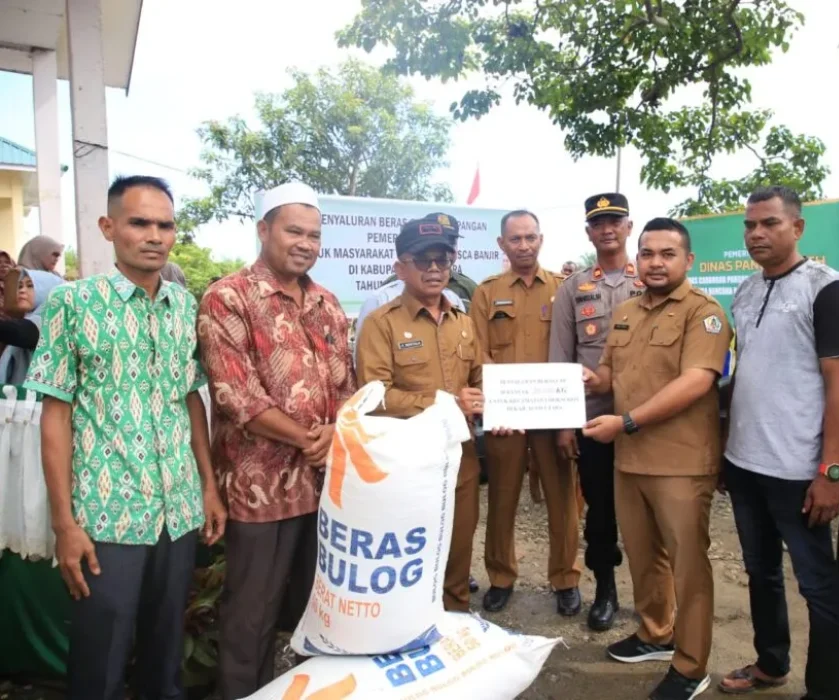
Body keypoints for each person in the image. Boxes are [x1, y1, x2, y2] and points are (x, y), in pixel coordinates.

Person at [23, 175, 226, 700]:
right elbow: (55, 416)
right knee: (101, 661)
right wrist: (64, 523)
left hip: (177, 510)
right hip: (107, 515)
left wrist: (206, 486)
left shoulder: (184, 308)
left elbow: (190, 401)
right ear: (109, 227)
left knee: (165, 657)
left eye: (165, 224)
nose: (154, 235)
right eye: (140, 222)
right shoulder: (75, 304)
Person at [198, 182, 357, 700]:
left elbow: (346, 386)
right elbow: (233, 393)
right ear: (264, 229)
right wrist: (306, 438)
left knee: (321, 606)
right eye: (294, 230)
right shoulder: (229, 296)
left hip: (325, 483)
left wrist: (334, 432)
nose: (307, 243)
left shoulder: (327, 302)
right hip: (259, 489)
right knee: (252, 614)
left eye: (315, 234)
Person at [718, 187, 839, 700]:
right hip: (745, 463)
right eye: (750, 225)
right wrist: (724, 451)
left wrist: (831, 471)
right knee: (760, 572)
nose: (757, 234)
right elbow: (743, 375)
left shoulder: (827, 289)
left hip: (800, 470)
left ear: (797, 228)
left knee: (818, 585)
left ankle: (825, 688)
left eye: (770, 224)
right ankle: (771, 662)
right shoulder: (745, 290)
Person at [582, 217, 731, 700]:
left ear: (688, 260)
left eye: (667, 254)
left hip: (681, 462)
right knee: (645, 558)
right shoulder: (625, 310)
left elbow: (696, 381)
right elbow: (608, 373)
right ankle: (655, 634)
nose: (656, 262)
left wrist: (625, 422)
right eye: (647, 253)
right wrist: (587, 383)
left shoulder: (703, 313)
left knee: (689, 566)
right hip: (631, 460)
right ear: (636, 259)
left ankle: (690, 665)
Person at [358, 215, 507, 612]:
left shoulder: (463, 323)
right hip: (407, 464)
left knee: (458, 555)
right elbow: (373, 398)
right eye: (423, 260)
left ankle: (453, 635)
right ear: (400, 267)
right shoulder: (380, 324)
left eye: (443, 259)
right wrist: (444, 403)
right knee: (411, 559)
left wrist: (507, 401)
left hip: (460, 461)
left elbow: (480, 380)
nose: (435, 268)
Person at [472, 210, 582, 616]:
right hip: (507, 418)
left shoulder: (565, 287)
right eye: (515, 239)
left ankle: (566, 579)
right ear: (501, 244)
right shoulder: (486, 292)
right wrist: (496, 401)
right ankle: (501, 577)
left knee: (562, 499)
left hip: (554, 414)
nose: (524, 245)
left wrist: (568, 413)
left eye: (530, 237)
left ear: (541, 240)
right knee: (502, 497)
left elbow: (572, 350)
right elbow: (477, 352)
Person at [549, 192, 641, 631]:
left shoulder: (651, 277)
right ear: (589, 231)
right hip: (593, 421)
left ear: (628, 226)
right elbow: (561, 358)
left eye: (615, 220)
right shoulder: (573, 287)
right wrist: (565, 425)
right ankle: (606, 590)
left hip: (648, 420)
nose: (607, 228)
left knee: (652, 510)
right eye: (598, 223)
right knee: (601, 512)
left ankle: (658, 595)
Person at [374, 212, 478, 312]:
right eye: (434, 243)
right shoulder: (387, 293)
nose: (446, 250)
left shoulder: (467, 289)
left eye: (451, 242)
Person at [0, 268, 64, 384]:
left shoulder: (53, 317)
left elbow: (25, 333)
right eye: (20, 286)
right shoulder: (28, 318)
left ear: (48, 289)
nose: (22, 291)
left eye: (30, 285)